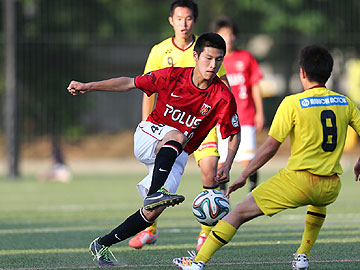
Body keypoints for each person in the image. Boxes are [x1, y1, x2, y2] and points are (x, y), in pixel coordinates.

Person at [173, 44, 360, 270]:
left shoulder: (293, 103)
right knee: (318, 203)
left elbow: (270, 147)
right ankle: (302, 255)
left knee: (239, 213)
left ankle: (198, 262)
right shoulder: (345, 102)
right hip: (330, 186)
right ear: (328, 73)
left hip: (298, 183)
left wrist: (244, 174)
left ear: (302, 72)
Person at [67, 33, 240, 267]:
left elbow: (233, 133)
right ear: (196, 56)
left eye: (218, 60)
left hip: (176, 153)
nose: (213, 65)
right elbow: (130, 83)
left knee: (152, 212)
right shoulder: (173, 76)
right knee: (177, 135)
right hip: (151, 134)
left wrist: (227, 164)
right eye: (208, 58)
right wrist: (89, 86)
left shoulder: (222, 95)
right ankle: (156, 191)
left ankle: (102, 244)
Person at [134, 0, 230, 250]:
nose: (183, 23)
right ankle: (150, 229)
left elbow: (224, 89)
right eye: (179, 18)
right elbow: (147, 88)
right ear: (171, 21)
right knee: (158, 181)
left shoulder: (208, 49)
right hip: (171, 127)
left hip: (201, 126)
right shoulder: (159, 51)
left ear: (195, 20)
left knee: (210, 170)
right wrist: (146, 124)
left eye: (188, 18)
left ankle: (205, 233)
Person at [193, 16, 264, 251]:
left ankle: (252, 193)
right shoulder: (213, 61)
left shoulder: (246, 58)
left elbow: (254, 85)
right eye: (224, 34)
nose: (229, 38)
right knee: (222, 162)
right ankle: (220, 201)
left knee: (248, 161)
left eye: (231, 34)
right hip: (222, 121)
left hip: (245, 117)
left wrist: (260, 112)